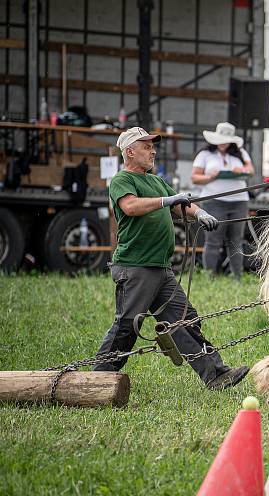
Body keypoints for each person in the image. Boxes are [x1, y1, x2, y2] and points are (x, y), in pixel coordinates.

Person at [93, 127, 249, 390]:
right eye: (146, 146)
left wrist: (200, 214)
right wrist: (167, 200)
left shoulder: (155, 181)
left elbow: (181, 204)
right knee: (128, 325)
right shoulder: (122, 180)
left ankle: (215, 374)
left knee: (186, 320)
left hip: (160, 269)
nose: (153, 150)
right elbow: (130, 207)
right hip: (135, 267)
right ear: (129, 152)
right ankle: (97, 378)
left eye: (153, 146)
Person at [191, 122, 255, 279]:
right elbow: (194, 177)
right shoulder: (205, 155)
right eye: (220, 140)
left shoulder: (240, 153)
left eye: (226, 140)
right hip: (214, 201)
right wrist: (210, 176)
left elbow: (251, 171)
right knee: (213, 240)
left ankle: (237, 276)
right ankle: (209, 276)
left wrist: (242, 171)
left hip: (239, 201)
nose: (223, 143)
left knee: (235, 240)